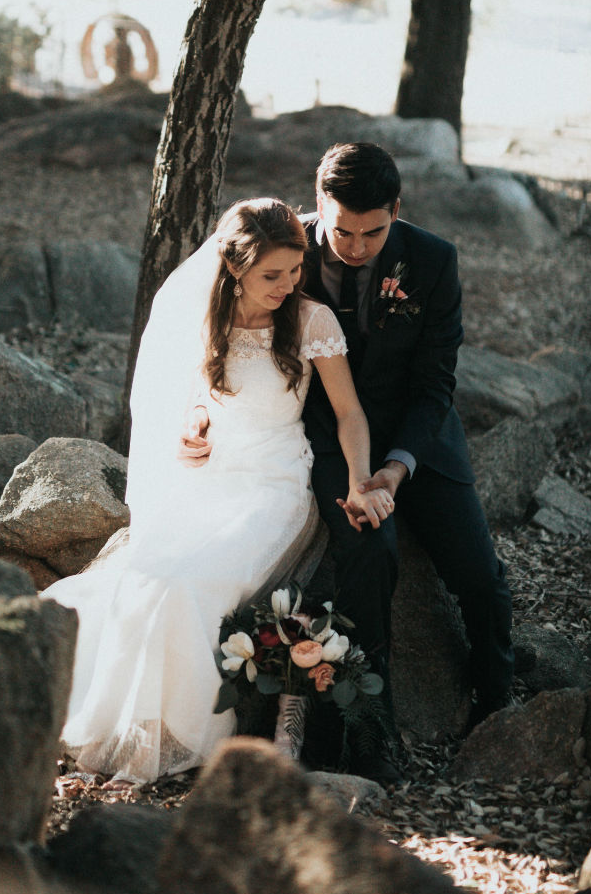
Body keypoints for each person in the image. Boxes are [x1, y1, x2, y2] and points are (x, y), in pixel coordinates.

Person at [40, 197, 391, 784]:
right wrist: (192, 433)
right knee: (143, 578)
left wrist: (359, 479)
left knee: (189, 587)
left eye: (294, 270)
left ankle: (183, 738)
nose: (287, 284)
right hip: (209, 477)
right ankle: (120, 727)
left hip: (274, 484)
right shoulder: (206, 321)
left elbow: (350, 413)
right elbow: (194, 407)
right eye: (270, 275)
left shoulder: (311, 322)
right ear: (234, 269)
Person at [299, 141, 516, 778]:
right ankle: (371, 729)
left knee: (478, 571)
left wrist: (397, 467)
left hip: (421, 436)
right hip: (330, 435)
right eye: (342, 229)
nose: (357, 246)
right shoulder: (287, 253)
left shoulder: (433, 261)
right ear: (318, 205)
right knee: (370, 552)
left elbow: (434, 384)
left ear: (398, 209)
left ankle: (497, 700)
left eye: (374, 231)